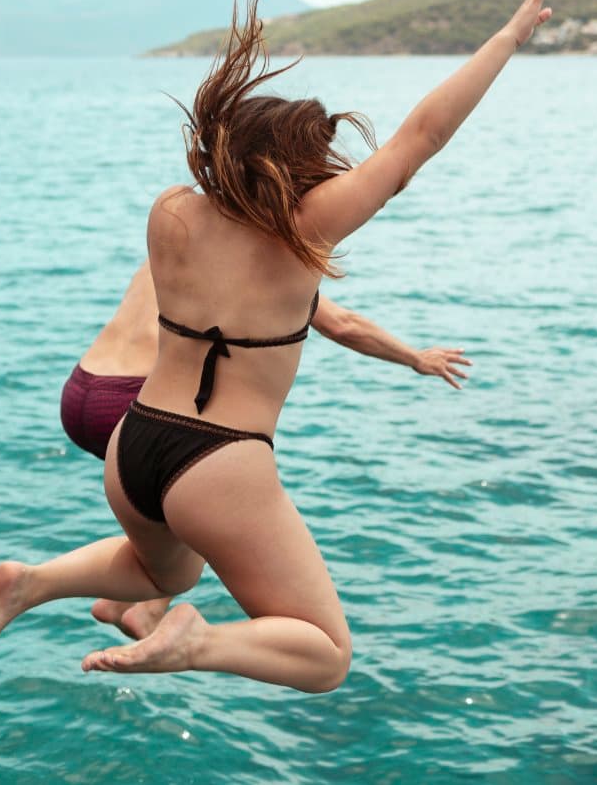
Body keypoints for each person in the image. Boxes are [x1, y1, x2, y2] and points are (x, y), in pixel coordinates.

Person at [0, 0, 552, 693]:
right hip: (219, 457)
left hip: (134, 446)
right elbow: (418, 139)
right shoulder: (304, 232)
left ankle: (28, 582)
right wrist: (511, 35)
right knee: (324, 653)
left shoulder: (172, 210)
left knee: (159, 569)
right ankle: (197, 641)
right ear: (298, 167)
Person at [61, 258, 471, 638]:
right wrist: (416, 358)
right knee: (208, 485)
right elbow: (343, 323)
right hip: (133, 398)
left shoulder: (178, 234)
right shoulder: (250, 260)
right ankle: (143, 609)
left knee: (172, 510)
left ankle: (125, 600)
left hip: (83, 389)